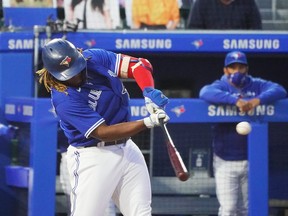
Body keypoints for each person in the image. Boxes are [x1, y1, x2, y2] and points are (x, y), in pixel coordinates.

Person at [36, 38, 169, 216]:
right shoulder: (63, 98)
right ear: (54, 74)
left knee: (141, 213)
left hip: (127, 149)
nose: (75, 77)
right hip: (92, 156)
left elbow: (140, 65)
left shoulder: (95, 58)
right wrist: (148, 122)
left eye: (76, 69)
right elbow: (103, 132)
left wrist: (148, 91)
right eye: (69, 74)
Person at [199, 51, 287, 216]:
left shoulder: (256, 84)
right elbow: (205, 92)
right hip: (225, 159)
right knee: (229, 209)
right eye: (233, 67)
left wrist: (257, 100)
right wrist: (236, 101)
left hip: (253, 159)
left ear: (247, 68)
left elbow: (279, 90)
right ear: (225, 70)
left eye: (241, 67)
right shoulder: (221, 85)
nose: (237, 71)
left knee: (249, 209)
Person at [187, 0, 262, 29]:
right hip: (209, 54)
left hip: (241, 57)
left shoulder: (248, 3)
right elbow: (194, 30)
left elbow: (256, 30)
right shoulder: (201, 3)